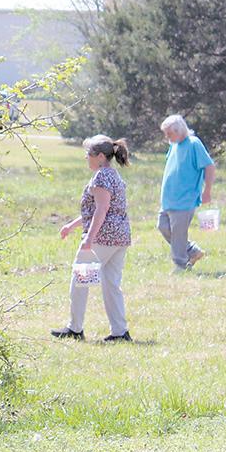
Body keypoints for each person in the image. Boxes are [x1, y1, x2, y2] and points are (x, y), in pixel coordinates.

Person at [52, 135, 132, 343]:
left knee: (80, 280)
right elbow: (99, 209)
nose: (85, 158)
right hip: (120, 238)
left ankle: (75, 328)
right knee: (111, 284)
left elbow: (101, 210)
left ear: (100, 157)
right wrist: (71, 226)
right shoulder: (113, 175)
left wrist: (89, 238)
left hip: (103, 239)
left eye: (88, 154)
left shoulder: (101, 177)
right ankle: (120, 332)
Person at [157, 114, 216, 270]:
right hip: (169, 199)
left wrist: (207, 191)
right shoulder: (174, 145)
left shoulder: (194, 144)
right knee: (163, 226)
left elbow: (209, 166)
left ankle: (181, 264)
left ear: (179, 130)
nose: (167, 137)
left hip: (185, 199)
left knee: (178, 233)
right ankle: (191, 250)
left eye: (169, 133)